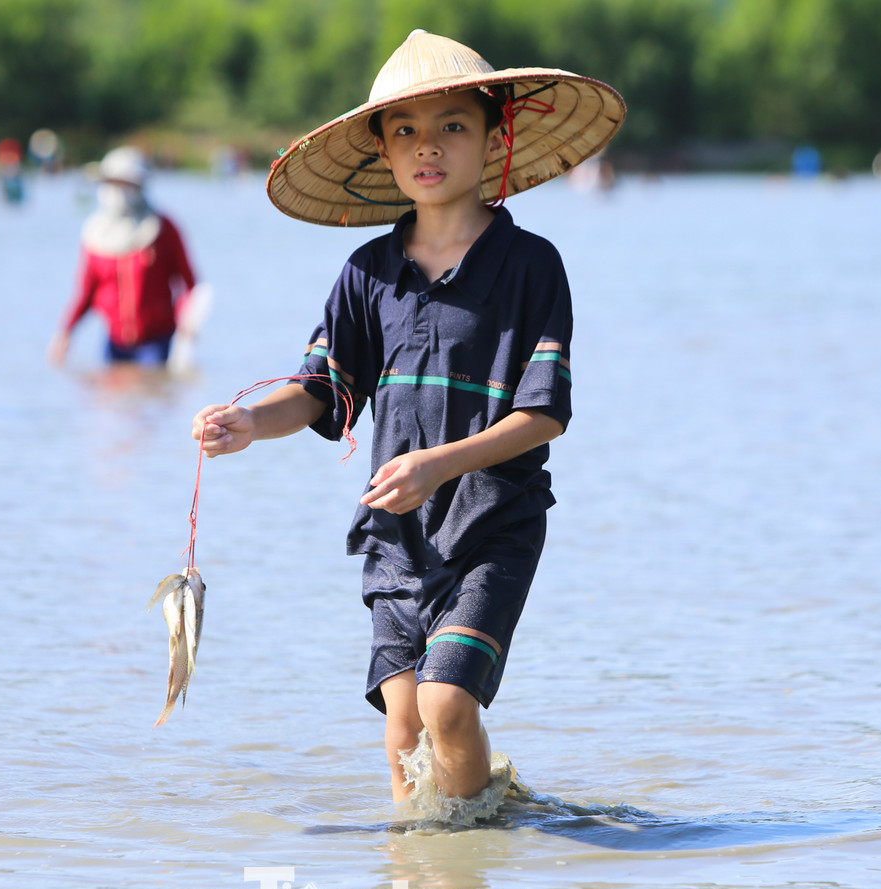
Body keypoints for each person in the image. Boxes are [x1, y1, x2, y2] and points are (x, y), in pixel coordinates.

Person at [191, 30, 625, 815]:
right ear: (383, 155)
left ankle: (472, 843)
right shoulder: (365, 275)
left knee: (447, 704)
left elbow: (543, 414)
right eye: (405, 132)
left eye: (452, 126)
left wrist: (439, 463)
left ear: (495, 139)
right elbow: (321, 390)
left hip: (494, 523)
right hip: (395, 533)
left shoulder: (532, 266)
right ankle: (418, 874)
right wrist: (250, 420)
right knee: (400, 721)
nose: (428, 147)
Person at [48, 146, 199, 368]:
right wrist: (65, 333)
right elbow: (86, 291)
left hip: (157, 343)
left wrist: (188, 325)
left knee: (152, 394)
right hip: (114, 343)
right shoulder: (94, 234)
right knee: (111, 399)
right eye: (113, 183)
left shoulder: (163, 228)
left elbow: (189, 283)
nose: (118, 190)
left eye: (126, 184)